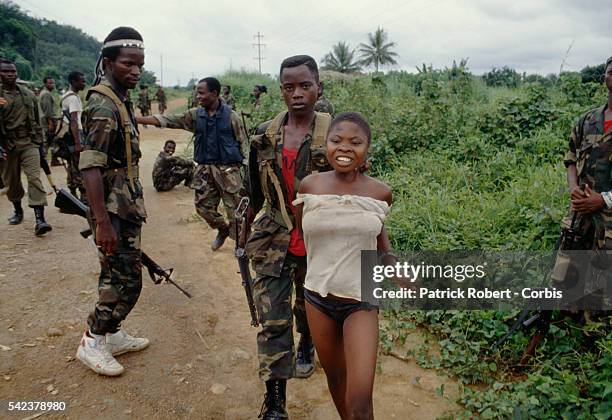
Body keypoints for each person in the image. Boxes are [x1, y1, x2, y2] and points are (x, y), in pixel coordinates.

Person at [242, 55, 331, 418]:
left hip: (319, 239)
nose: (297, 93)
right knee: (273, 321)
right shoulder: (264, 133)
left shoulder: (335, 132)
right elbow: (253, 188)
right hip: (274, 237)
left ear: (318, 88)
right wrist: (244, 227)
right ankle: (276, 405)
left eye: (304, 85)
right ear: (281, 90)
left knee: (306, 308)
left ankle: (307, 342)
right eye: (289, 87)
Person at [294, 112, 392, 420]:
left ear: (368, 148)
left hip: (360, 301)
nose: (345, 148)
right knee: (336, 379)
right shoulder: (310, 186)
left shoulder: (379, 192)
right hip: (317, 299)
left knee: (361, 401)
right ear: (326, 145)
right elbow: (304, 236)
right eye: (336, 141)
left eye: (355, 142)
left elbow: (382, 246)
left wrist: (397, 270)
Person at [75, 26, 150, 376]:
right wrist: (102, 221)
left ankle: (113, 334)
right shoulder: (103, 103)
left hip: (125, 203)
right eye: (128, 64)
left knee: (125, 274)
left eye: (140, 64)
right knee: (121, 280)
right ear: (107, 62)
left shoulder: (120, 97)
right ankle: (93, 339)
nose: (135, 71)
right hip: (112, 209)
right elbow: (91, 166)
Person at [137, 77, 248, 250]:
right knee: (203, 208)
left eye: (201, 93)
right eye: (197, 92)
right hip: (204, 170)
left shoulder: (231, 117)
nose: (198, 96)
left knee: (235, 212)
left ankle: (240, 246)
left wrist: (247, 174)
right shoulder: (196, 115)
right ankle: (223, 229)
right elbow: (169, 120)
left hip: (228, 171)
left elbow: (244, 145)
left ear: (214, 93)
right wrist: (137, 119)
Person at [561, 55, 612, 314]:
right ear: (604, 77)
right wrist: (573, 189)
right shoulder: (586, 120)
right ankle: (567, 317)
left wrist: (603, 199)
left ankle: (594, 331)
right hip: (579, 211)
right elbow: (570, 158)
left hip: (608, 218)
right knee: (568, 268)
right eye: (611, 71)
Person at [0, 58, 52, 235]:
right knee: (12, 182)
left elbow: (37, 122)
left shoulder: (28, 94)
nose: (10, 74)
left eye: (13, 71)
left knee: (34, 178)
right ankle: (18, 209)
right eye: (6, 71)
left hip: (28, 142)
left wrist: (41, 145)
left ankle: (40, 219)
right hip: (7, 145)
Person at [58, 71, 87, 202]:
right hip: (75, 134)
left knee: (72, 165)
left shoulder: (65, 97)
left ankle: (72, 194)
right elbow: (74, 121)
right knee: (79, 165)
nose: (84, 83)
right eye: (82, 81)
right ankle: (83, 195)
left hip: (68, 135)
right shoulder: (73, 98)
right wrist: (78, 142)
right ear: (74, 82)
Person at [39, 76, 60, 164]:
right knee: (47, 140)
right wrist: (51, 122)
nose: (52, 85)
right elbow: (48, 111)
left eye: (53, 83)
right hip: (47, 122)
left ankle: (53, 160)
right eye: (50, 83)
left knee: (50, 141)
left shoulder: (45, 93)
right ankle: (43, 161)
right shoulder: (46, 94)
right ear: (45, 84)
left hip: (46, 121)